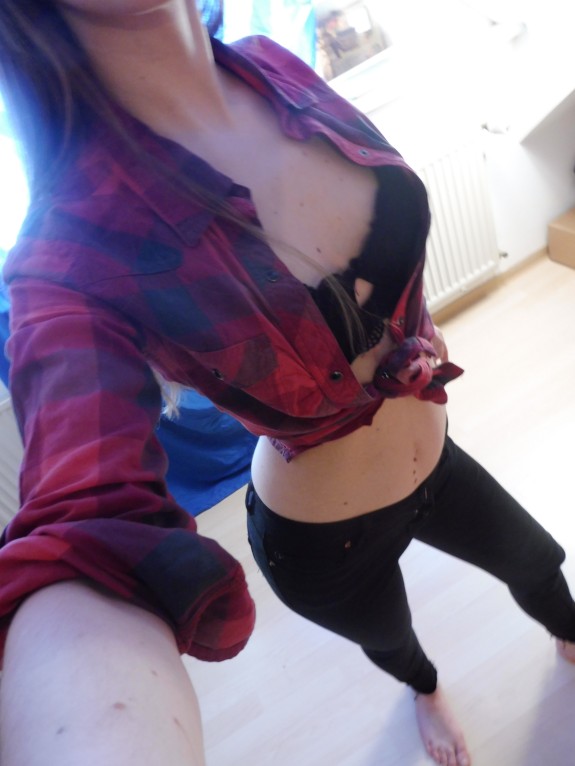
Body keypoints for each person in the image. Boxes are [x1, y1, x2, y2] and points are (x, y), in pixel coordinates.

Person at [0, 3, 573, 766]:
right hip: (323, 540)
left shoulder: (273, 64)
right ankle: (425, 692)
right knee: (392, 639)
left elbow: (378, 244)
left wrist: (415, 328)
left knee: (538, 561)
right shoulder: (71, 251)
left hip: (437, 461)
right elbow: (81, 525)